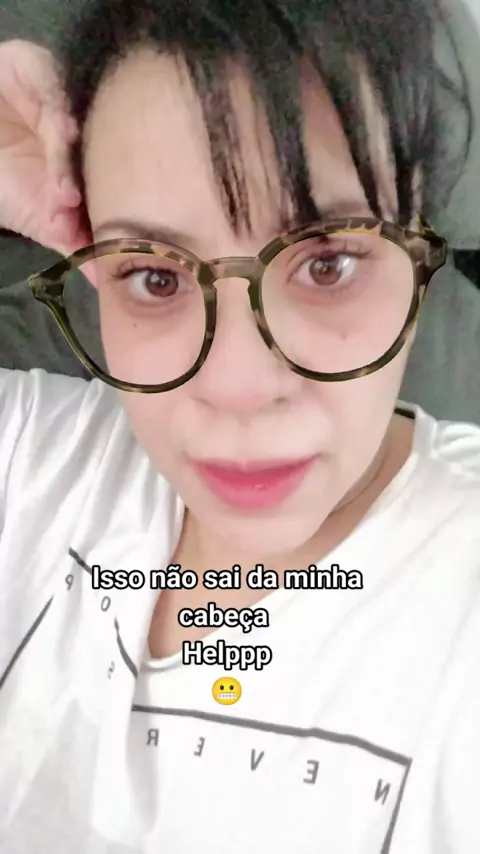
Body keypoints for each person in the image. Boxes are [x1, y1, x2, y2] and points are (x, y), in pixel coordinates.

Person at [0, 1, 479, 852]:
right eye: (154, 276)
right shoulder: (30, 459)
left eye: (328, 264)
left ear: (418, 259)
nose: (237, 387)